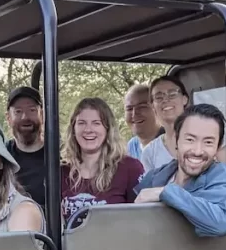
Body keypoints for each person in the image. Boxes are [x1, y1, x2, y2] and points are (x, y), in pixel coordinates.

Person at [134, 103, 226, 237]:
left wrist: (166, 192)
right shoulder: (155, 176)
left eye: (208, 142)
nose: (197, 151)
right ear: (177, 141)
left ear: (217, 148)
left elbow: (221, 222)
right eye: (190, 139)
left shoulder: (221, 175)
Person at [61, 97, 145, 226]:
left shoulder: (130, 168)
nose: (88, 129)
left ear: (107, 129)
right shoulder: (60, 172)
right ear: (73, 129)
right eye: (82, 123)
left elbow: (142, 220)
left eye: (96, 123)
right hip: (71, 245)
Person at [4, 86, 48, 210]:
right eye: (18, 111)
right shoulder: (1, 158)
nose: (25, 117)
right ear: (8, 118)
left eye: (32, 110)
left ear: (43, 115)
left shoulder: (60, 155)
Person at [140, 75, 190, 173]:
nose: (166, 100)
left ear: (185, 99)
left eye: (172, 94)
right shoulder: (150, 152)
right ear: (152, 105)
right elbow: (149, 186)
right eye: (159, 97)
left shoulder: (208, 136)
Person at [124, 83, 163, 160]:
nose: (134, 113)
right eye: (129, 109)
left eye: (142, 107)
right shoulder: (131, 147)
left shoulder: (170, 143)